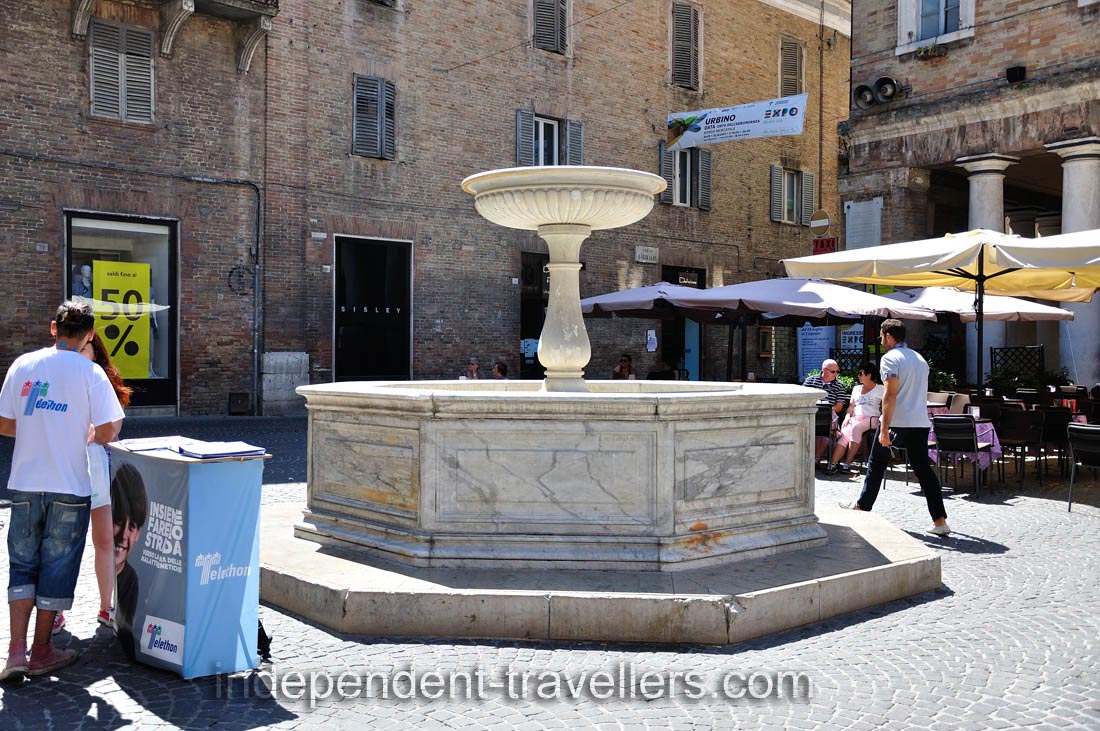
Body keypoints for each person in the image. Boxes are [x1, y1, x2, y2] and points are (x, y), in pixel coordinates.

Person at [0, 301, 124, 682]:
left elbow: (5, 425)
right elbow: (109, 429)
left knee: (22, 565)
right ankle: (41, 651)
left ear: (54, 328)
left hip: (24, 482)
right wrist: (79, 432)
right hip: (70, 486)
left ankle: (15, 652)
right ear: (89, 334)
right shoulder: (91, 373)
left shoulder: (24, 365)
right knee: (57, 567)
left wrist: (42, 431)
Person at [51, 332, 132, 633]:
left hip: (97, 468)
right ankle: (55, 610)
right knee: (63, 544)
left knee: (104, 540)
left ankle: (106, 606)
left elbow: (113, 427)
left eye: (85, 349)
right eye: (76, 348)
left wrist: (94, 431)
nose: (79, 353)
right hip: (67, 469)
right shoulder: (59, 379)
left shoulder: (102, 383)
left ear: (95, 353)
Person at [840, 319, 951, 536]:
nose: (881, 341)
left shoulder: (890, 359)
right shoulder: (919, 359)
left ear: (889, 336)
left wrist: (884, 429)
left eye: (882, 336)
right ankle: (940, 521)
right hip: (919, 421)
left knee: (875, 464)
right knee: (923, 471)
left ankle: (862, 509)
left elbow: (890, 394)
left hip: (898, 423)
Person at [110, 463, 147, 661]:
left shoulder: (131, 580)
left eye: (131, 526)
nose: (124, 535)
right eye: (117, 520)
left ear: (138, 533)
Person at [826, 362, 884, 474]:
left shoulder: (880, 389)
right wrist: (847, 416)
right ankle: (833, 463)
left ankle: (847, 463)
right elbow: (851, 406)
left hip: (872, 418)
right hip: (856, 417)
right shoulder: (856, 389)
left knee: (857, 429)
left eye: (860, 373)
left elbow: (889, 403)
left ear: (869, 375)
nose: (858, 376)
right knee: (845, 434)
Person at [803, 359, 849, 461]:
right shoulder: (810, 381)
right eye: (833, 372)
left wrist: (825, 409)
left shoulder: (839, 385)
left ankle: (816, 458)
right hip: (811, 414)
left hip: (828, 415)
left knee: (827, 423)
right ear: (824, 370)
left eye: (837, 371)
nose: (836, 374)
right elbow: (803, 400)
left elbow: (839, 406)